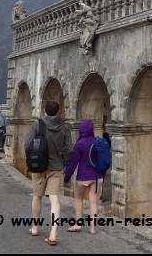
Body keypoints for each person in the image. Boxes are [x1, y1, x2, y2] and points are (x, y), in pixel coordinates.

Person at [25, 100, 72, 245]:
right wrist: (63, 163)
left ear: (44, 110)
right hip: (55, 166)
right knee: (54, 198)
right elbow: (69, 150)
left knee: (37, 196)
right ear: (57, 111)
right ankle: (53, 233)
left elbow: (28, 145)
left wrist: (31, 159)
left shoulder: (37, 124)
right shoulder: (64, 127)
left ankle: (35, 227)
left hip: (39, 166)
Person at [64, 121, 102, 234]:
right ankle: (93, 228)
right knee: (93, 201)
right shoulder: (98, 141)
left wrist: (67, 178)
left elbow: (73, 163)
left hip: (84, 176)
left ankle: (78, 223)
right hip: (97, 175)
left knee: (79, 198)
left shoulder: (79, 144)